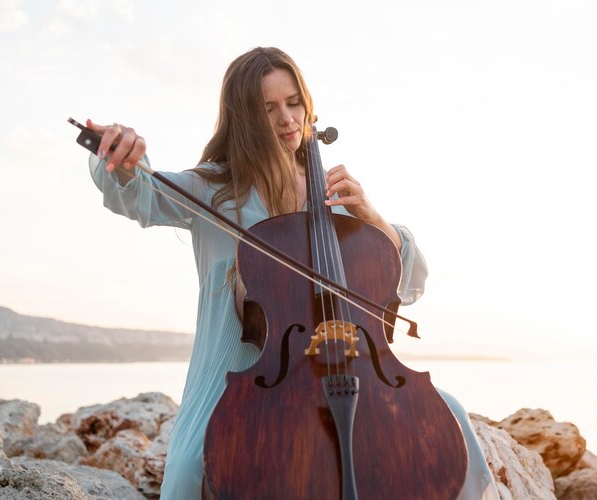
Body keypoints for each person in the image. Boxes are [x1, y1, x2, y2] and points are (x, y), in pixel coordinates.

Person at [87, 47, 498, 499]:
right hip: (241, 379)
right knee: (188, 472)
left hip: (346, 370)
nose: (287, 119)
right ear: (245, 118)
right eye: (269, 108)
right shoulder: (215, 189)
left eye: (294, 102)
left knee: (449, 422)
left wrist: (374, 222)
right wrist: (116, 152)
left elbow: (406, 282)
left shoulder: (332, 195)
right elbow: (137, 193)